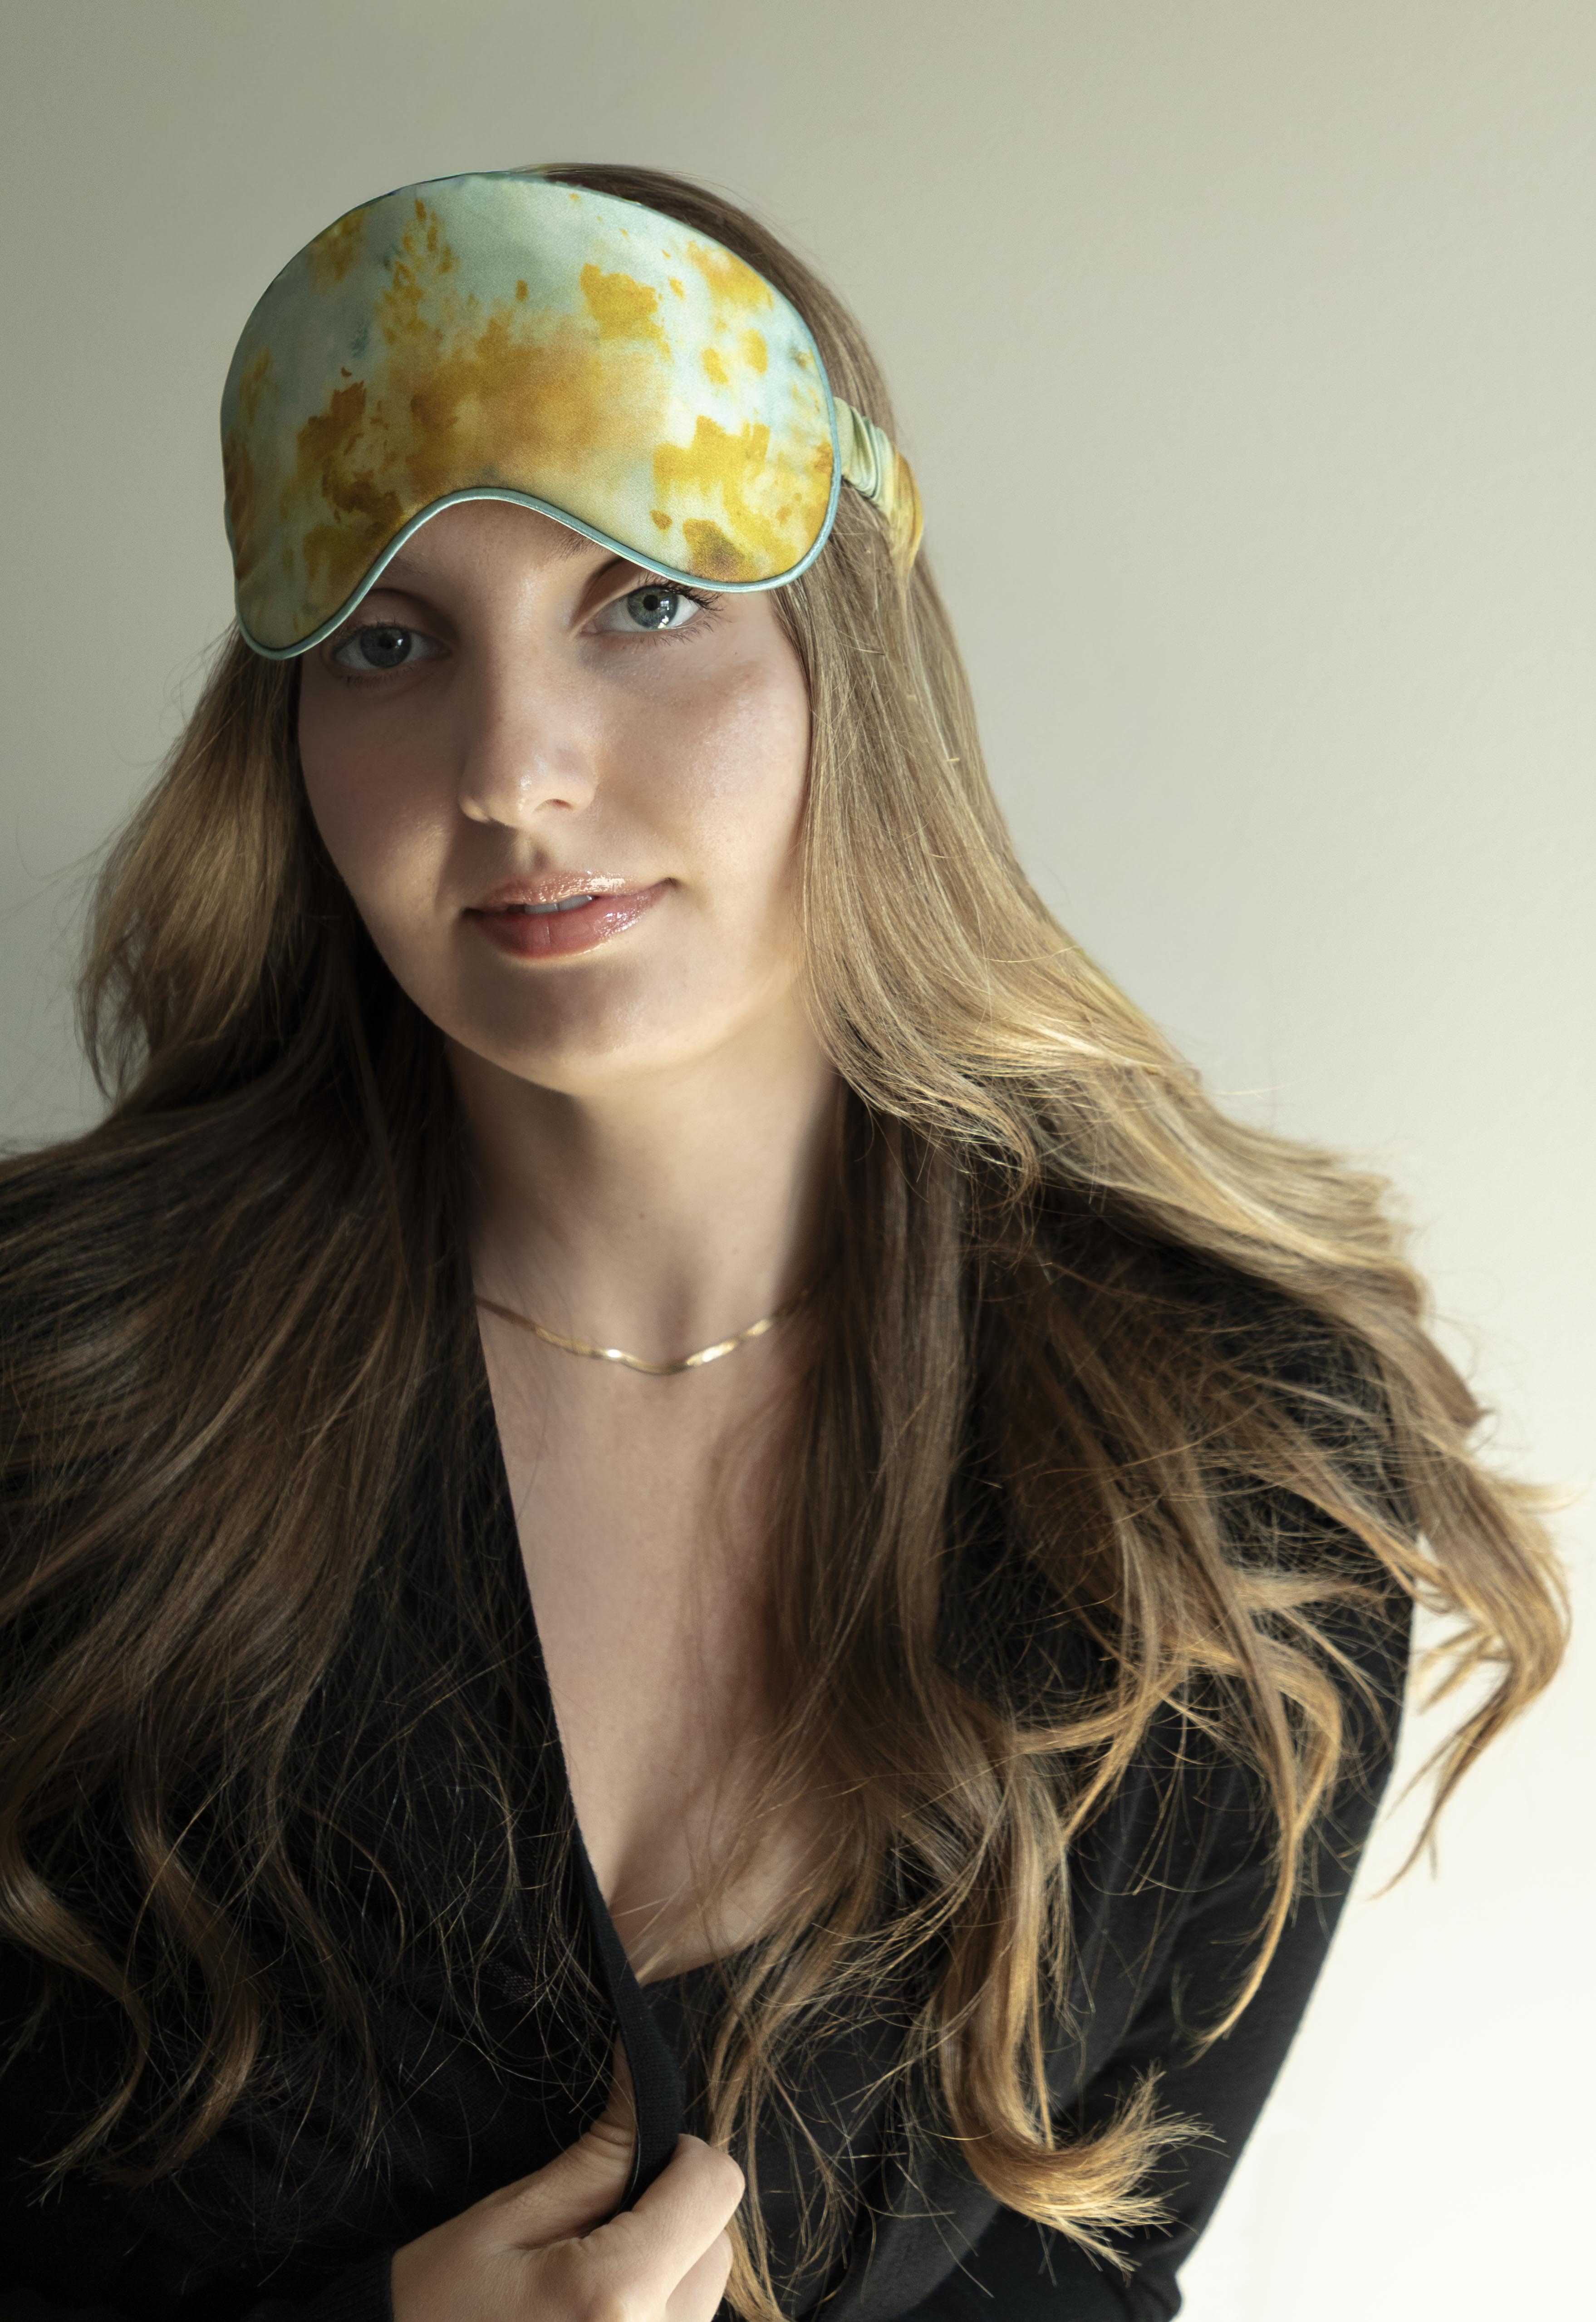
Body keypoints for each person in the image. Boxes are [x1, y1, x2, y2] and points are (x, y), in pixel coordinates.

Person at [0, 161, 1566, 2322]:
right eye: (387, 637)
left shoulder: (1219, 1487)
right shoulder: (55, 1406)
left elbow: (1086, 2279)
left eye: (646, 599)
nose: (515, 766)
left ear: (855, 659)